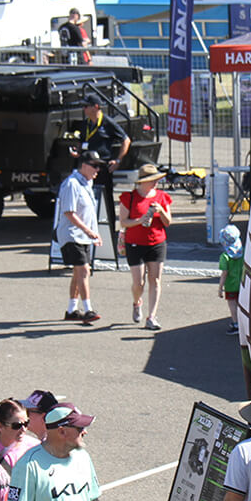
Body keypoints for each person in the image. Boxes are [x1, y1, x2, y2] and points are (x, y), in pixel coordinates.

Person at [118, 163, 172, 331]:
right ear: (141, 182)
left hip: (157, 242)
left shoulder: (162, 197)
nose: (155, 183)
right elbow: (123, 222)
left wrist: (161, 210)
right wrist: (140, 220)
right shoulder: (130, 197)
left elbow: (168, 222)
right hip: (135, 243)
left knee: (155, 279)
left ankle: (152, 317)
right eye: (151, 180)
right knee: (138, 282)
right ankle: (137, 302)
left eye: (156, 179)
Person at [56, 151, 104, 324]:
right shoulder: (72, 184)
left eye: (99, 165)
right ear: (84, 165)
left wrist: (94, 232)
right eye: (94, 165)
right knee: (84, 270)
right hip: (72, 235)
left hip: (83, 236)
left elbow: (88, 212)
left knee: (78, 273)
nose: (97, 169)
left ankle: (71, 310)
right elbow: (69, 213)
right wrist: (88, 231)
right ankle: (88, 310)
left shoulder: (87, 183)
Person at [78, 94, 129, 248]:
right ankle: (90, 231)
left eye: (87, 106)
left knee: (105, 201)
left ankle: (110, 235)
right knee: (87, 200)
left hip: (102, 168)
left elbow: (126, 140)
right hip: (86, 167)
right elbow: (82, 143)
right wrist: (77, 152)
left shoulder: (107, 123)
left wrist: (118, 160)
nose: (84, 109)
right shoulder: (86, 123)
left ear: (96, 107)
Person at [217, 225, 244, 335]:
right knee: (241, 303)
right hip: (242, 283)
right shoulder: (243, 253)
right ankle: (243, 322)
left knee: (232, 304)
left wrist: (220, 287)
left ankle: (236, 324)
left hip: (231, 285)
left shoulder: (225, 257)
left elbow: (224, 273)